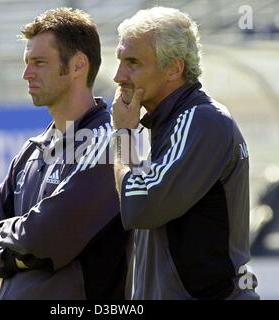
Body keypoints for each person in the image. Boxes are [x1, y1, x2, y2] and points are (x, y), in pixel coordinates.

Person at [0, 7, 130, 300]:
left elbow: (45, 238)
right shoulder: (31, 150)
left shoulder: (110, 145)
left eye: (39, 62)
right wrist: (18, 254)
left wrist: (8, 240)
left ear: (78, 66)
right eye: (27, 62)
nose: (26, 73)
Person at [111, 7, 259, 300]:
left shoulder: (201, 120)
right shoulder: (170, 122)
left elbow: (140, 204)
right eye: (120, 61)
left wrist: (123, 137)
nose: (118, 76)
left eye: (132, 63)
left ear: (174, 69)